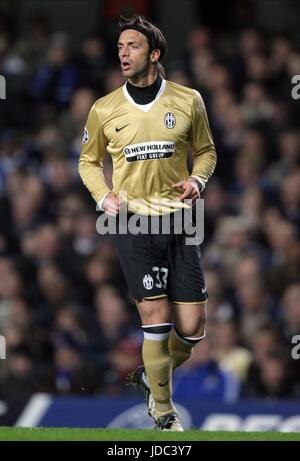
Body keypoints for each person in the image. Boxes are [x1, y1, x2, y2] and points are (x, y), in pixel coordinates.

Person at [78, 15, 216, 431]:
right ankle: (164, 411)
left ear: (154, 54)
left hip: (181, 221)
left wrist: (197, 178)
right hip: (133, 223)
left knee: (191, 331)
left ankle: (150, 374)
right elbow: (87, 161)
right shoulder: (104, 109)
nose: (123, 53)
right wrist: (103, 195)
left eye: (133, 46)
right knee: (156, 318)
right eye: (120, 47)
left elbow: (206, 151)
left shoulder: (188, 99)